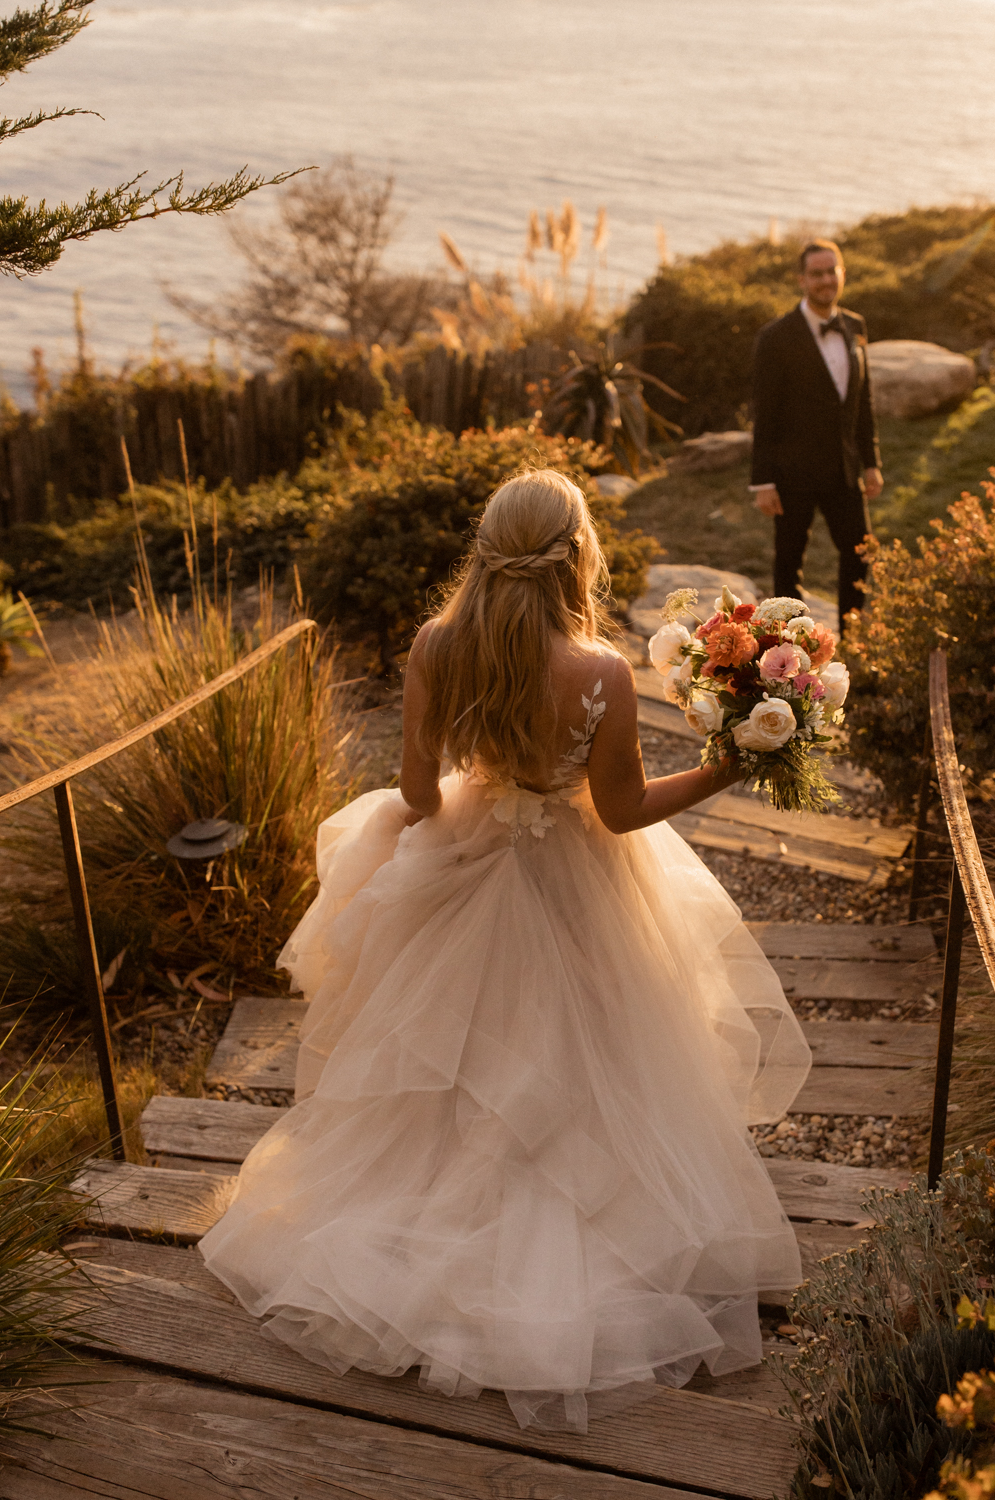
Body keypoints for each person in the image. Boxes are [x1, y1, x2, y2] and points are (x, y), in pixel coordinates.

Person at [199, 469, 811, 1435]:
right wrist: (727, 765)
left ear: (484, 546)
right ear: (578, 557)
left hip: (466, 850)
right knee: (591, 1052)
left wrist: (439, 842)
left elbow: (413, 787)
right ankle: (581, 1232)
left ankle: (418, 1223)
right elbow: (619, 814)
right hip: (579, 880)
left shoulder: (438, 645)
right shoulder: (598, 671)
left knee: (448, 1056)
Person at [749, 238, 883, 632]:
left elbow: (863, 402)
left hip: (844, 470)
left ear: (842, 274)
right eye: (816, 274)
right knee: (789, 562)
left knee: (860, 553)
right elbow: (765, 413)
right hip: (792, 473)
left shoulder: (855, 326)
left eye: (832, 271)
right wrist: (762, 481)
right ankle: (789, 651)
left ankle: (853, 637)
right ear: (801, 280)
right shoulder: (775, 338)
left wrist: (871, 462)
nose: (825, 280)